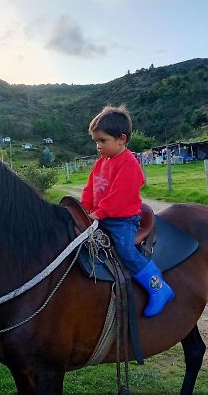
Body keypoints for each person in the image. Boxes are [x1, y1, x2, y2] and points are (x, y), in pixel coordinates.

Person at [81, 105, 174, 317]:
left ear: (121, 139)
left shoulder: (129, 164)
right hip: (101, 216)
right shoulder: (101, 163)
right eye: (96, 141)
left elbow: (119, 197)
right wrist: (84, 208)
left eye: (103, 141)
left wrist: (99, 213)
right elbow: (90, 189)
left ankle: (158, 288)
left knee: (126, 251)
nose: (98, 146)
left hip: (122, 219)